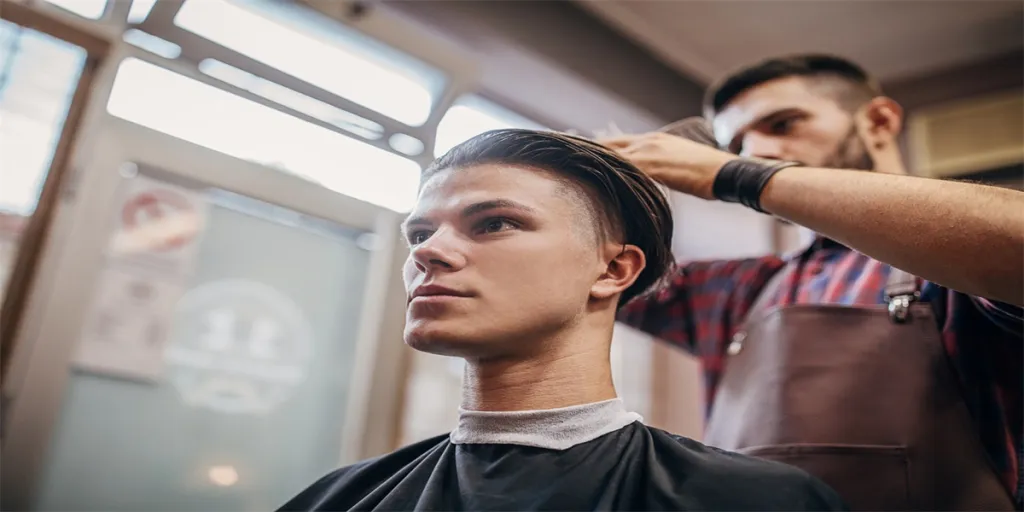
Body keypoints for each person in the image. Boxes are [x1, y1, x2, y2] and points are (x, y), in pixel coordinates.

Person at [279, 129, 848, 511]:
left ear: (613, 269)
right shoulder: (338, 499)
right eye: (420, 234)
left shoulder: (753, 500)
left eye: (495, 223)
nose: (428, 252)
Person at [601, 54, 1023, 511]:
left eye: (782, 124)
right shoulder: (736, 288)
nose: (755, 151)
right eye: (737, 146)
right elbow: (578, 277)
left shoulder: (953, 262)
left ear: (879, 122)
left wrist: (736, 175)